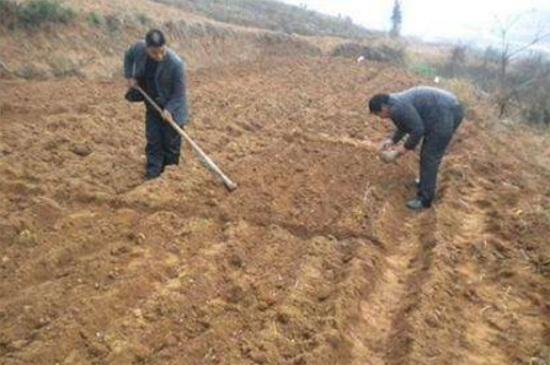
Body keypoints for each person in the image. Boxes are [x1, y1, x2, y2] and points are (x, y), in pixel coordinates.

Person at [368, 86, 464, 210]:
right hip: (448, 108)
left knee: (429, 155)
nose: (380, 117)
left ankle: (425, 200)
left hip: (446, 111)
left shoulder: (397, 108)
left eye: (378, 114)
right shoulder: (394, 104)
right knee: (430, 151)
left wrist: (402, 150)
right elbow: (405, 125)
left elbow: (417, 129)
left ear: (383, 107)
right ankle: (427, 182)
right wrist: (392, 140)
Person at [124, 29, 188, 180]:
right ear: (147, 48)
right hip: (152, 102)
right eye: (154, 53)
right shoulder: (138, 48)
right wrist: (129, 76)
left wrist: (169, 110)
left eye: (162, 51)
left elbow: (179, 94)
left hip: (173, 107)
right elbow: (128, 56)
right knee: (153, 140)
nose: (159, 56)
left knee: (171, 144)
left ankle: (169, 176)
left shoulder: (176, 64)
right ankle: (152, 174)